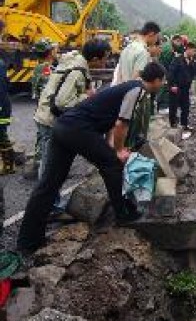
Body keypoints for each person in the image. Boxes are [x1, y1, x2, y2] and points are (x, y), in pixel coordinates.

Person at [16, 61, 166, 256]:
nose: (162, 85)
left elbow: (112, 123)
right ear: (155, 80)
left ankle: (28, 242)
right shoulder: (137, 90)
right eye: (162, 81)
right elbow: (122, 124)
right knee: (112, 166)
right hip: (78, 130)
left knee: (49, 184)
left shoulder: (127, 86)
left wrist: (112, 148)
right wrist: (119, 152)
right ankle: (122, 214)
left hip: (63, 127)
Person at [34, 39, 111, 182]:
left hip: (46, 115)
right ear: (95, 58)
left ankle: (49, 195)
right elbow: (63, 102)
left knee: (51, 161)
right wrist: (86, 96)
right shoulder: (77, 70)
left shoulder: (75, 62)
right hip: (50, 119)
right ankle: (46, 198)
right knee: (49, 164)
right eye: (105, 58)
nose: (105, 62)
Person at [0, 57, 15, 175]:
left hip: (1, 105)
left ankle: (9, 165)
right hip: (3, 103)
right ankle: (8, 164)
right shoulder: (1, 63)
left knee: (1, 134)